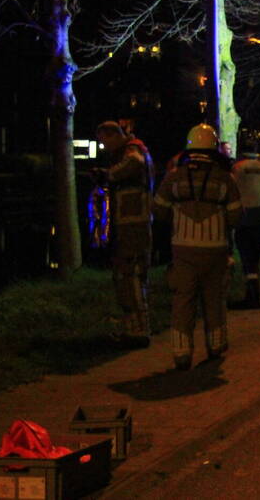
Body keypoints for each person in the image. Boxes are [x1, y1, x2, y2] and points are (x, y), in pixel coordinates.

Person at [152, 124, 243, 370]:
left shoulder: (174, 176)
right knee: (214, 299)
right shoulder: (226, 178)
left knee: (183, 301)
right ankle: (215, 346)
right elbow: (236, 217)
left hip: (182, 249)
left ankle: (182, 353)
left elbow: (158, 210)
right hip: (216, 249)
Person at [94, 121, 155, 348]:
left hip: (133, 225)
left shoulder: (133, 150)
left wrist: (107, 175)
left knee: (131, 276)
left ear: (113, 136)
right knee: (131, 276)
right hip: (132, 224)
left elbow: (133, 164)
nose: (105, 147)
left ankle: (138, 331)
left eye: (104, 141)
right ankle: (135, 328)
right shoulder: (135, 149)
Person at [229, 141, 260, 310]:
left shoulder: (237, 168)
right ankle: (255, 294)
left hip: (243, 214)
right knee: (255, 255)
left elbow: (231, 190)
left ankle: (251, 295)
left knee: (246, 255)